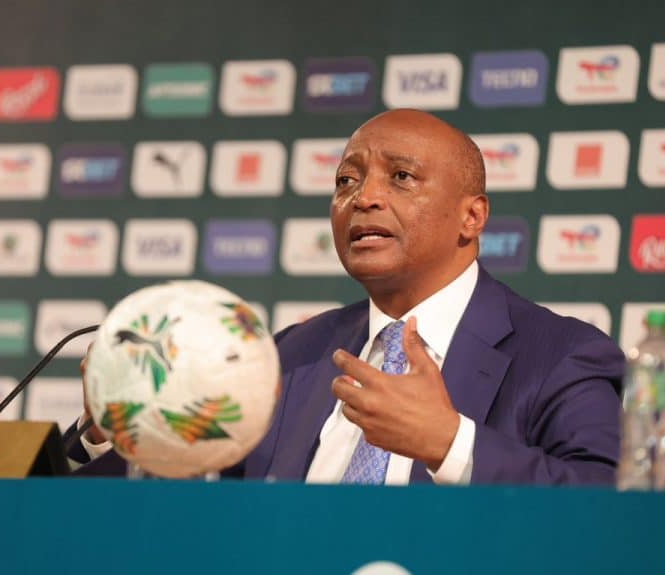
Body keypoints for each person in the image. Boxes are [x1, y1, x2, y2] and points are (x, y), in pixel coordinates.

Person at [67, 109, 624, 485]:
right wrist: (116, 427)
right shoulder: (288, 355)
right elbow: (169, 507)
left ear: (472, 217)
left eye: (401, 177)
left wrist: (451, 444)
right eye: (346, 181)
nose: (364, 198)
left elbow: (607, 505)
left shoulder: (561, 354)